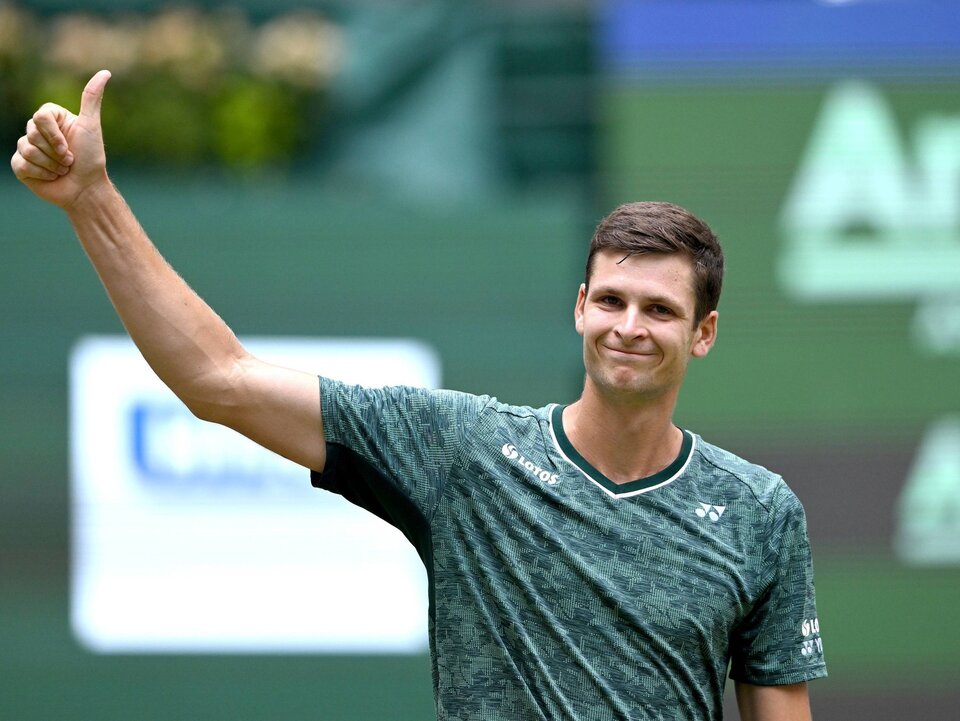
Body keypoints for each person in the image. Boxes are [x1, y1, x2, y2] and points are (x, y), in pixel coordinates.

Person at [11, 71, 826, 720]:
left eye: (660, 309)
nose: (629, 326)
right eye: (611, 300)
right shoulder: (462, 449)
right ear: (579, 305)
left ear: (705, 331)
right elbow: (217, 379)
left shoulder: (759, 510)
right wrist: (93, 202)